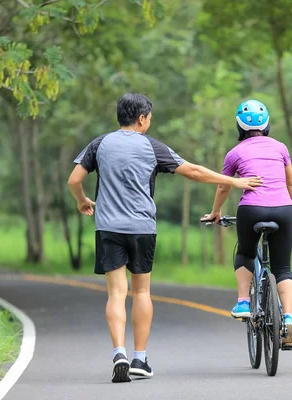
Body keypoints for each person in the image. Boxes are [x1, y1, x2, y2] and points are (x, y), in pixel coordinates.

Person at [67, 93, 263, 383]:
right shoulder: (151, 147)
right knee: (142, 292)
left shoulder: (99, 144)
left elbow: (74, 180)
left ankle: (119, 352)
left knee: (116, 294)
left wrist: (82, 200)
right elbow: (194, 172)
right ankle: (139, 359)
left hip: (107, 228)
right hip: (142, 228)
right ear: (142, 118)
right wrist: (235, 181)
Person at [202, 99, 292, 348]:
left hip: (251, 209)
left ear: (239, 126)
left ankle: (243, 302)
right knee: (283, 268)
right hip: (283, 209)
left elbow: (223, 185)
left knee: (246, 252)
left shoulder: (234, 153)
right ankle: (288, 319)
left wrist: (216, 212)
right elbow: (290, 183)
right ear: (267, 124)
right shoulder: (281, 148)